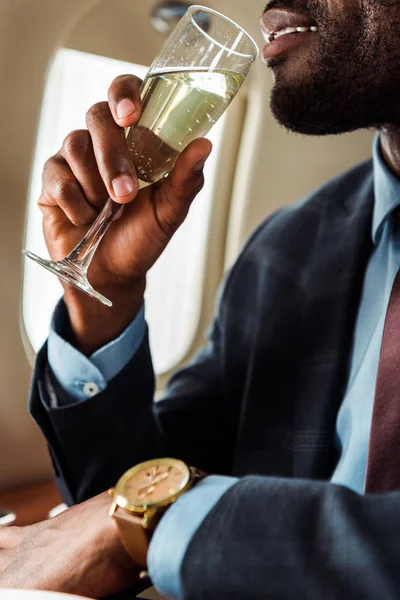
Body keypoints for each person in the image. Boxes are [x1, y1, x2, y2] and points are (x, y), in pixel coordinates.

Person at [2, 0, 400, 596]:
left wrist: (163, 522)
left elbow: (142, 519)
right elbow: (131, 487)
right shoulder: (287, 249)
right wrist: (103, 302)